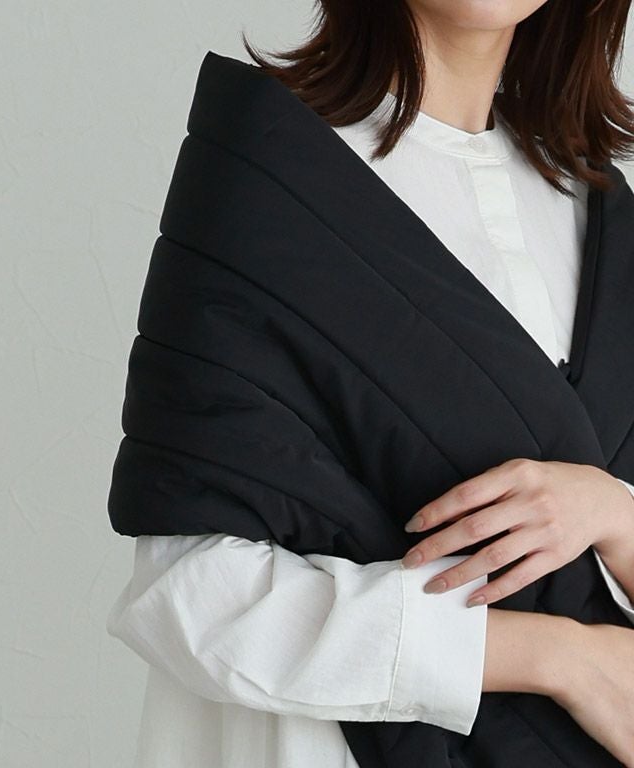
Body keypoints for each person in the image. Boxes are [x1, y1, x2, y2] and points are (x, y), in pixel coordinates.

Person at [106, 2, 634, 766]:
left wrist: (612, 514)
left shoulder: (601, 212)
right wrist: (558, 658)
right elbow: (190, 596)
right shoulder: (269, 180)